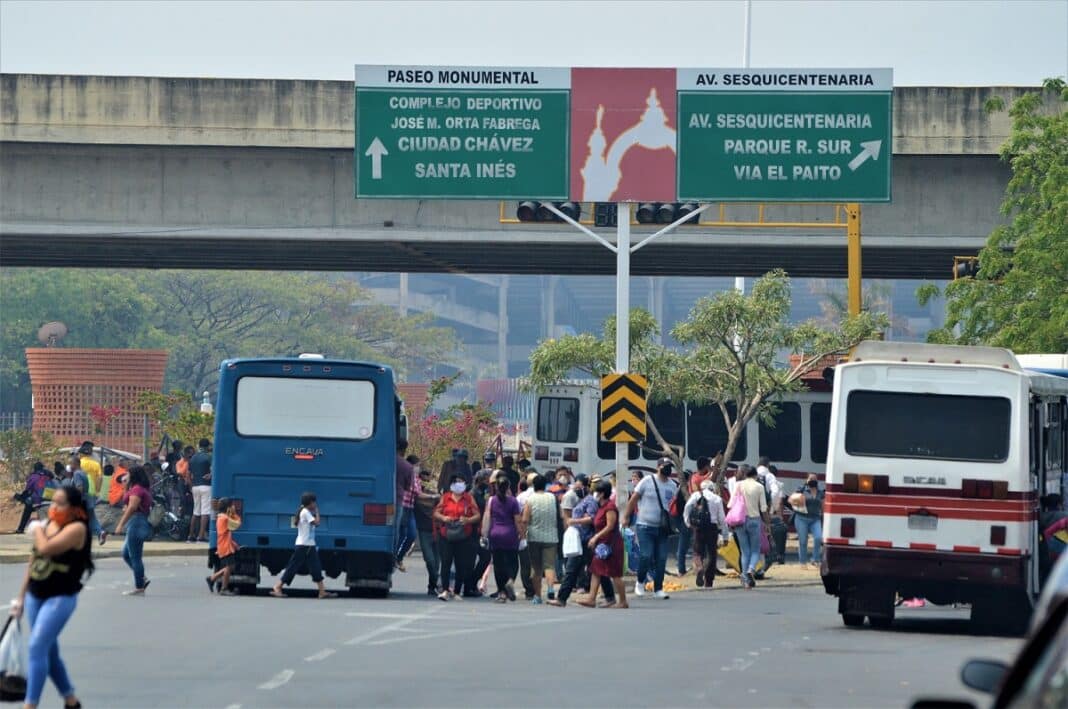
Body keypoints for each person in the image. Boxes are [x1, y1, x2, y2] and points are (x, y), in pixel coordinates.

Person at [11, 483, 92, 709]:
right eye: (53, 501)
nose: (54, 507)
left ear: (74, 507)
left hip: (60, 597)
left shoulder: (77, 528)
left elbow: (47, 548)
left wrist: (36, 528)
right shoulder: (49, 524)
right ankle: (71, 700)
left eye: (60, 503)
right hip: (35, 595)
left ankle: (30, 705)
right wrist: (20, 598)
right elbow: (34, 560)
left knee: (37, 646)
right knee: (49, 651)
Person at [552, 475, 616, 607]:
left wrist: (574, 521)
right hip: (583, 539)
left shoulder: (591, 501)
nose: (577, 488)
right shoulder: (585, 500)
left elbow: (592, 518)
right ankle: (609, 597)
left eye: (579, 486)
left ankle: (562, 598)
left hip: (586, 540)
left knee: (573, 569)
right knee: (597, 569)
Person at [623, 457, 678, 599]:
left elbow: (671, 505)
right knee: (646, 555)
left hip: (662, 528)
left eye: (670, 466)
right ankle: (640, 583)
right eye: (665, 466)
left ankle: (658, 588)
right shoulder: (646, 482)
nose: (668, 469)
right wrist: (626, 517)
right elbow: (633, 499)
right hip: (645, 526)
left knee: (661, 558)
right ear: (658, 466)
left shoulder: (672, 485)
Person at [270, 492, 337, 599]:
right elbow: (317, 523)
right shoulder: (306, 512)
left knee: (315, 568)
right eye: (314, 502)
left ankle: (322, 591)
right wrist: (317, 512)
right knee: (293, 567)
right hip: (304, 545)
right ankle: (277, 587)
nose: (315, 504)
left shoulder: (304, 511)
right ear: (310, 503)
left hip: (307, 545)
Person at [576, 481, 628, 609]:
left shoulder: (610, 507)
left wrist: (595, 537)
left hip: (611, 544)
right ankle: (591, 599)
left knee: (615, 574)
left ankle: (623, 601)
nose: (595, 494)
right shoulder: (601, 506)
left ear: (602, 493)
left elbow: (610, 526)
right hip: (602, 545)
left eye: (597, 492)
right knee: (596, 570)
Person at [433, 473, 480, 601]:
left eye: (461, 482)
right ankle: (445, 590)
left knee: (461, 564)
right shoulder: (446, 497)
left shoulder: (469, 498)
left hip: (463, 535)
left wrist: (468, 520)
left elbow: (477, 515)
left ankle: (457, 591)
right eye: (456, 482)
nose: (459, 484)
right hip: (446, 534)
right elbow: (436, 513)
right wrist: (444, 517)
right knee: (446, 563)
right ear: (452, 484)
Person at [481, 474, 522, 603]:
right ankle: (510, 581)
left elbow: (487, 518)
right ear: (509, 486)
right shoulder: (513, 501)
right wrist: (522, 534)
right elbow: (517, 520)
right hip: (510, 535)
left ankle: (502, 593)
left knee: (498, 565)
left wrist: (484, 534)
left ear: (496, 486)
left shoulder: (492, 500)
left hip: (495, 534)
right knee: (513, 562)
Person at [114, 465, 153, 595]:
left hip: (136, 522)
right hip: (136, 522)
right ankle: (142, 578)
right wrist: (125, 487)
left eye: (128, 474)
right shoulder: (137, 488)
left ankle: (139, 586)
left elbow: (131, 507)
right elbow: (128, 504)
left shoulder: (137, 489)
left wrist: (120, 524)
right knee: (126, 553)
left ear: (134, 475)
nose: (126, 476)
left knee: (135, 556)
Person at [521, 474, 559, 605]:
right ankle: (550, 588)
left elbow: (525, 519)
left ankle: (537, 596)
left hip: (534, 537)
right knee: (549, 566)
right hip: (551, 537)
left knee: (536, 568)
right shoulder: (552, 498)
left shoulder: (531, 499)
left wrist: (522, 533)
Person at [684, 480, 729, 588]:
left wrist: (688, 522)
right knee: (711, 554)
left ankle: (699, 568)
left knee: (697, 552)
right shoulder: (717, 499)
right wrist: (725, 535)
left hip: (698, 527)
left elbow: (687, 507)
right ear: (712, 488)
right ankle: (708, 582)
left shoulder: (696, 495)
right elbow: (722, 519)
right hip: (712, 528)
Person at [731, 464, 771, 589]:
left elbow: (730, 504)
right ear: (755, 475)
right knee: (756, 550)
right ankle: (751, 569)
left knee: (744, 551)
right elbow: (763, 508)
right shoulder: (759, 487)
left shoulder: (738, 485)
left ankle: (744, 577)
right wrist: (767, 523)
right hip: (754, 520)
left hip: (740, 521)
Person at [411, 458, 442, 595]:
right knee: (430, 560)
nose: (427, 479)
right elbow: (418, 498)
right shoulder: (418, 494)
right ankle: (436, 582)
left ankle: (432, 586)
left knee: (436, 561)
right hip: (424, 530)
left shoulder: (436, 495)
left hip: (438, 529)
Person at [207, 498, 241, 595]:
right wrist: (234, 513)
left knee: (231, 566)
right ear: (228, 508)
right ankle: (224, 588)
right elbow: (237, 524)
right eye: (231, 506)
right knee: (229, 567)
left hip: (224, 545)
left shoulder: (221, 517)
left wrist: (234, 544)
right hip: (225, 547)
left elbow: (227, 534)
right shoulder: (225, 518)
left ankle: (212, 578)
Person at [466, 470, 492, 597]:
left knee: (485, 557)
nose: (489, 482)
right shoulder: (473, 494)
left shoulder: (483, 493)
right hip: (472, 531)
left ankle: (472, 583)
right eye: (487, 479)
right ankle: (469, 585)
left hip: (480, 531)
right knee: (472, 559)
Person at [394, 439, 418, 572]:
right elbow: (409, 488)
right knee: (403, 532)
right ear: (404, 450)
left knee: (401, 532)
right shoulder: (407, 467)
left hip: (400, 503)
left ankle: (395, 557)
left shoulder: (386, 461)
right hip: (400, 501)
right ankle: (396, 558)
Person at [76, 442, 105, 546]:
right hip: (92, 493)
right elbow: (100, 478)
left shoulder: (79, 464)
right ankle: (100, 532)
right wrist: (97, 490)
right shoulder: (96, 464)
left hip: (81, 493)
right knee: (91, 516)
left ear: (81, 454)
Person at [514, 473, 537, 599]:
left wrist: (520, 534)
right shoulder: (546, 496)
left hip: (525, 532)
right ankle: (536, 588)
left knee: (525, 564)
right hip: (541, 533)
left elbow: (517, 517)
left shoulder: (521, 497)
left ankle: (529, 590)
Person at [793, 474, 824, 567]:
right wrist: (804, 486)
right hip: (801, 518)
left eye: (814, 479)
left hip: (815, 519)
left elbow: (823, 506)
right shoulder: (802, 490)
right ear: (806, 480)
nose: (813, 481)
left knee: (818, 538)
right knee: (803, 541)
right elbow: (794, 498)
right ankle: (803, 562)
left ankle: (815, 559)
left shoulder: (820, 493)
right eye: (811, 479)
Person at [187, 438, 213, 543]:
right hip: (206, 486)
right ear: (208, 446)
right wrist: (211, 475)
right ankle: (201, 536)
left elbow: (188, 474)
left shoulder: (193, 458)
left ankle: (190, 535)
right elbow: (214, 469)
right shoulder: (209, 457)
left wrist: (190, 485)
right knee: (205, 512)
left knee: (195, 511)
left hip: (195, 487)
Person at [15, 462, 51, 534]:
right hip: (49, 499)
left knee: (27, 508)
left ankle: (21, 528)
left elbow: (28, 490)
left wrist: (21, 497)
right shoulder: (47, 476)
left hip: (37, 501)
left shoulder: (33, 477)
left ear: (35, 469)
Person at [672, 467, 691, 576]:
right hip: (683, 519)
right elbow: (681, 506)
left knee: (684, 544)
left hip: (679, 518)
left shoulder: (678, 488)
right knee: (683, 545)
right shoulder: (685, 490)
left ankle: (681, 568)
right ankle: (681, 569)